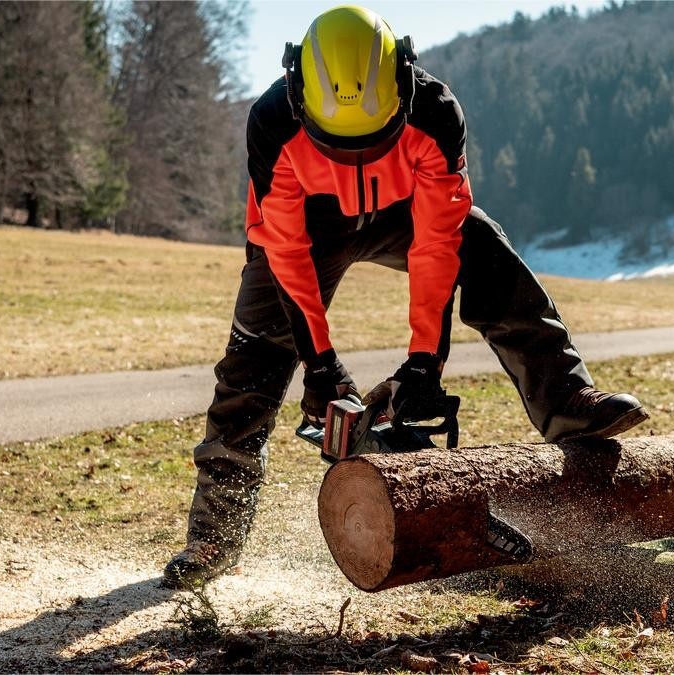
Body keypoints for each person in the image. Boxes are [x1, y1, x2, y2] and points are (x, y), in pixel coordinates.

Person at [162, 4, 646, 589]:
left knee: (483, 246)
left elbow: (439, 241)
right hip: (308, 228)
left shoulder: (436, 110)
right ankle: (216, 537)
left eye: (373, 139)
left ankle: (567, 400)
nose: (357, 156)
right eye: (341, 146)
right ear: (298, 91)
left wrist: (424, 363)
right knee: (255, 357)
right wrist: (321, 367)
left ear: (402, 81)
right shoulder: (272, 120)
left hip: (404, 211)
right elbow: (285, 250)